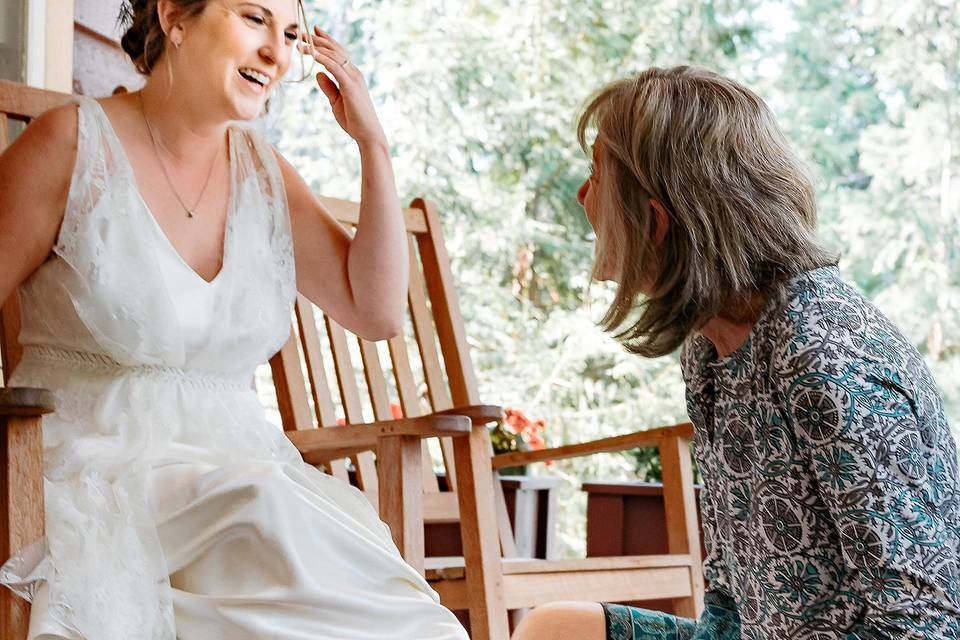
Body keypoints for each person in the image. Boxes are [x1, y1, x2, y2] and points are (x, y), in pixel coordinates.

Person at [0, 1, 468, 638]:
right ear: (175, 16)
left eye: (292, 34)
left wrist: (373, 145)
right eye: (254, 19)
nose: (279, 52)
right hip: (98, 473)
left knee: (407, 617)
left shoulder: (264, 175)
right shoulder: (70, 145)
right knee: (269, 516)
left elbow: (377, 309)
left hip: (242, 472)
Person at [512, 66, 960, 640]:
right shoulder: (710, 346)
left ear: (654, 222)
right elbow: (727, 590)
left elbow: (924, 625)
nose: (582, 196)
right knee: (555, 628)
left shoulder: (826, 360)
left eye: (596, 174)